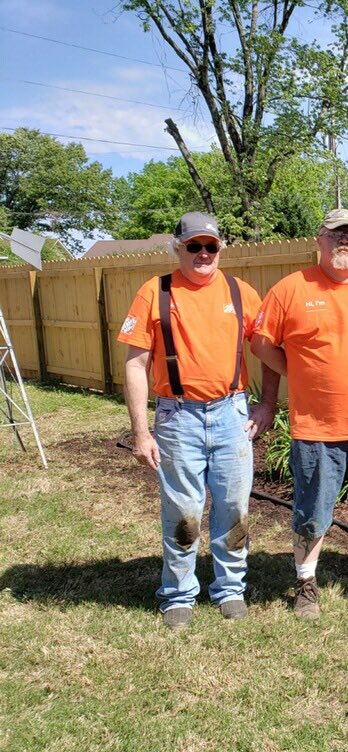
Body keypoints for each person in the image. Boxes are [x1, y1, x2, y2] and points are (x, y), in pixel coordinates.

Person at [119, 211, 278, 631]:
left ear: (221, 249)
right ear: (178, 248)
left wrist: (270, 404)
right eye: (194, 246)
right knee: (183, 511)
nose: (203, 254)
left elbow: (268, 350)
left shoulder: (240, 292)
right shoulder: (155, 293)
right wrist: (141, 431)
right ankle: (178, 593)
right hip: (177, 417)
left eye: (211, 246)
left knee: (233, 507)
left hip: (232, 414)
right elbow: (135, 365)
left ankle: (230, 588)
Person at [250, 208, 348, 619]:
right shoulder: (291, 289)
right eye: (336, 235)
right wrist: (296, 372)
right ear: (319, 239)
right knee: (311, 510)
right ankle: (306, 582)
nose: (344, 242)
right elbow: (262, 344)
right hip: (315, 428)